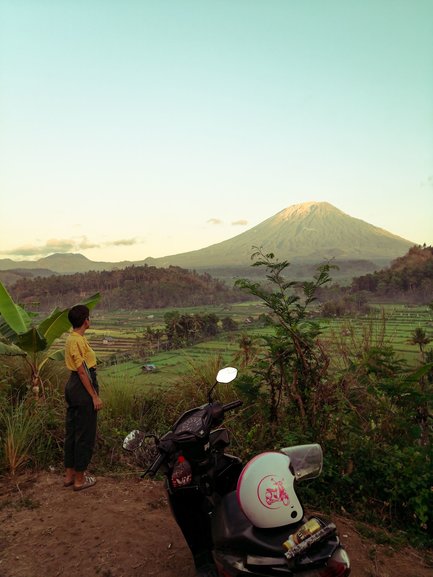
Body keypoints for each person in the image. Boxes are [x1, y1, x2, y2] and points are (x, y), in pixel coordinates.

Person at [63, 304, 103, 491]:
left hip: (73, 387)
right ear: (85, 320)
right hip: (82, 386)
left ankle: (69, 475)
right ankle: (80, 479)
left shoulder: (74, 338)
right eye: (88, 317)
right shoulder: (77, 341)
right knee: (84, 433)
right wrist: (94, 396)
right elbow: (82, 370)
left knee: (72, 431)